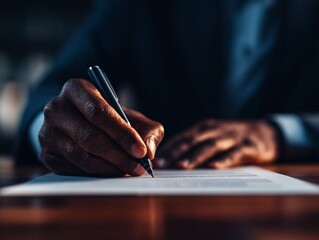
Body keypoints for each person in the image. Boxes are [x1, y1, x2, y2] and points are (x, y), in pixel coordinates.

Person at [16, 0, 319, 176]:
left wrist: (282, 133)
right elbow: (51, 92)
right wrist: (63, 128)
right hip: (161, 210)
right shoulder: (138, 7)